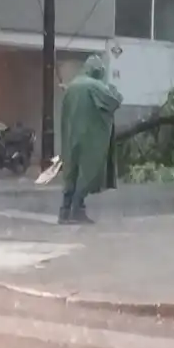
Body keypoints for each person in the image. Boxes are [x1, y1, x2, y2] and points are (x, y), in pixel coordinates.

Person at [58, 55, 122, 224]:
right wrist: (113, 89)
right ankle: (77, 209)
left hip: (71, 134)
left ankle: (64, 211)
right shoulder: (95, 86)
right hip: (89, 135)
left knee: (71, 171)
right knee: (87, 171)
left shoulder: (72, 86)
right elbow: (113, 102)